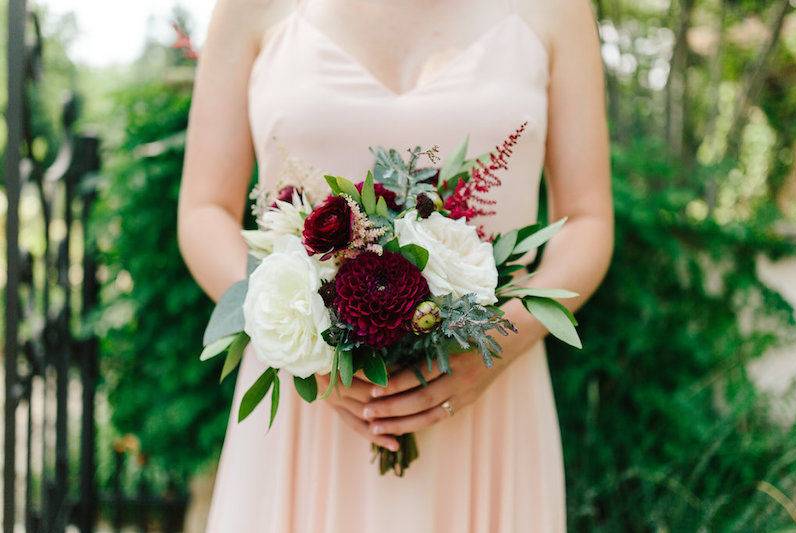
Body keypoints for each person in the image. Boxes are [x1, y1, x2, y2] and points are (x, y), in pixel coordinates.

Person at [178, 0, 613, 531]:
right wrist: (302, 343)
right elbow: (204, 212)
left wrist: (503, 339)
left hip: (489, 397)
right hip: (311, 404)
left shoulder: (558, 10)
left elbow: (587, 220)